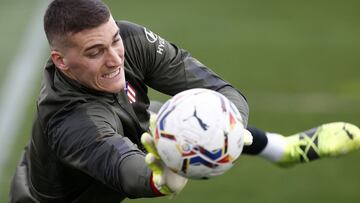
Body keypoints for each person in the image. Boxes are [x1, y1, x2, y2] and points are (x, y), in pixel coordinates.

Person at [9, 0, 360, 202]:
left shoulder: (130, 40)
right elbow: (128, 172)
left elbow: (221, 93)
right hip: (61, 197)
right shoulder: (70, 121)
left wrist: (228, 122)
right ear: (60, 61)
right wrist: (160, 179)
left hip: (127, 126)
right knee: (167, 127)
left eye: (114, 40)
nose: (115, 58)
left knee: (189, 118)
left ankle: (281, 149)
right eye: (95, 52)